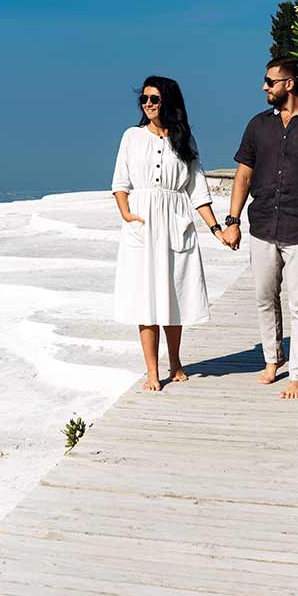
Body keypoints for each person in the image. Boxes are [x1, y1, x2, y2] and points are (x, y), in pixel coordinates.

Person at [219, 56, 298, 399]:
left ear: (289, 84)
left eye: (270, 81)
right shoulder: (258, 125)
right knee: (264, 297)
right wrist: (232, 221)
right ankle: (272, 359)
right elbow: (243, 175)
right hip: (262, 225)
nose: (264, 87)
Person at [112, 76, 225, 391]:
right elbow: (120, 182)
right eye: (144, 99)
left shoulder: (185, 141)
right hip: (142, 224)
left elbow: (197, 190)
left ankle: (175, 362)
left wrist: (216, 228)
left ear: (168, 102)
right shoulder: (131, 137)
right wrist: (127, 214)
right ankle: (152, 370)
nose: (148, 104)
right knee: (145, 300)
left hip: (175, 221)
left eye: (154, 99)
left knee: (174, 295)